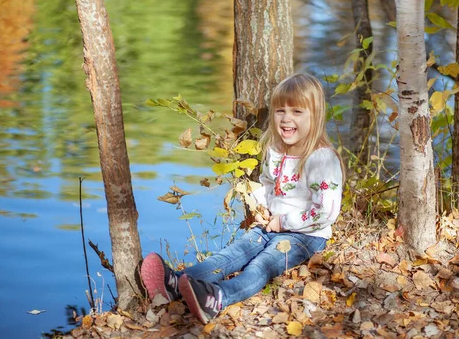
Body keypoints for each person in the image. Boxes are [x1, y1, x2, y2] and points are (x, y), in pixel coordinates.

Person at [140, 73, 344, 324]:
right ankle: (176, 282)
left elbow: (326, 211)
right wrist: (262, 207)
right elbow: (269, 184)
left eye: (297, 112)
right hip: (271, 225)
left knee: (262, 265)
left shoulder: (321, 158)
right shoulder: (276, 150)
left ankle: (219, 297)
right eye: (280, 111)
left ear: (315, 116)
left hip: (307, 235)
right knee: (231, 254)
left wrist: (283, 222)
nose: (286, 118)